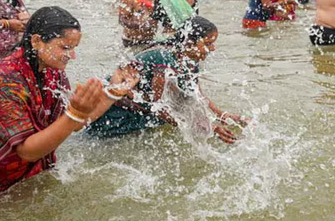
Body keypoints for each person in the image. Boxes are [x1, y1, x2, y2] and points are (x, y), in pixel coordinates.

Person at [0, 6, 139, 201]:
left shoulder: (51, 71)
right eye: (65, 47)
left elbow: (72, 123)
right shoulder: (2, 81)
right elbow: (27, 152)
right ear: (35, 41)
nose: (72, 56)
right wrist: (74, 112)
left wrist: (112, 94)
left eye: (74, 48)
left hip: (0, 155)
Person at [86, 16, 247, 143]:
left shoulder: (191, 59)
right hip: (114, 116)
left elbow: (196, 95)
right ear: (189, 42)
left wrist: (222, 115)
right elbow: (159, 108)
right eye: (208, 43)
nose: (213, 48)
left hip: (140, 114)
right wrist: (207, 128)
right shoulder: (164, 59)